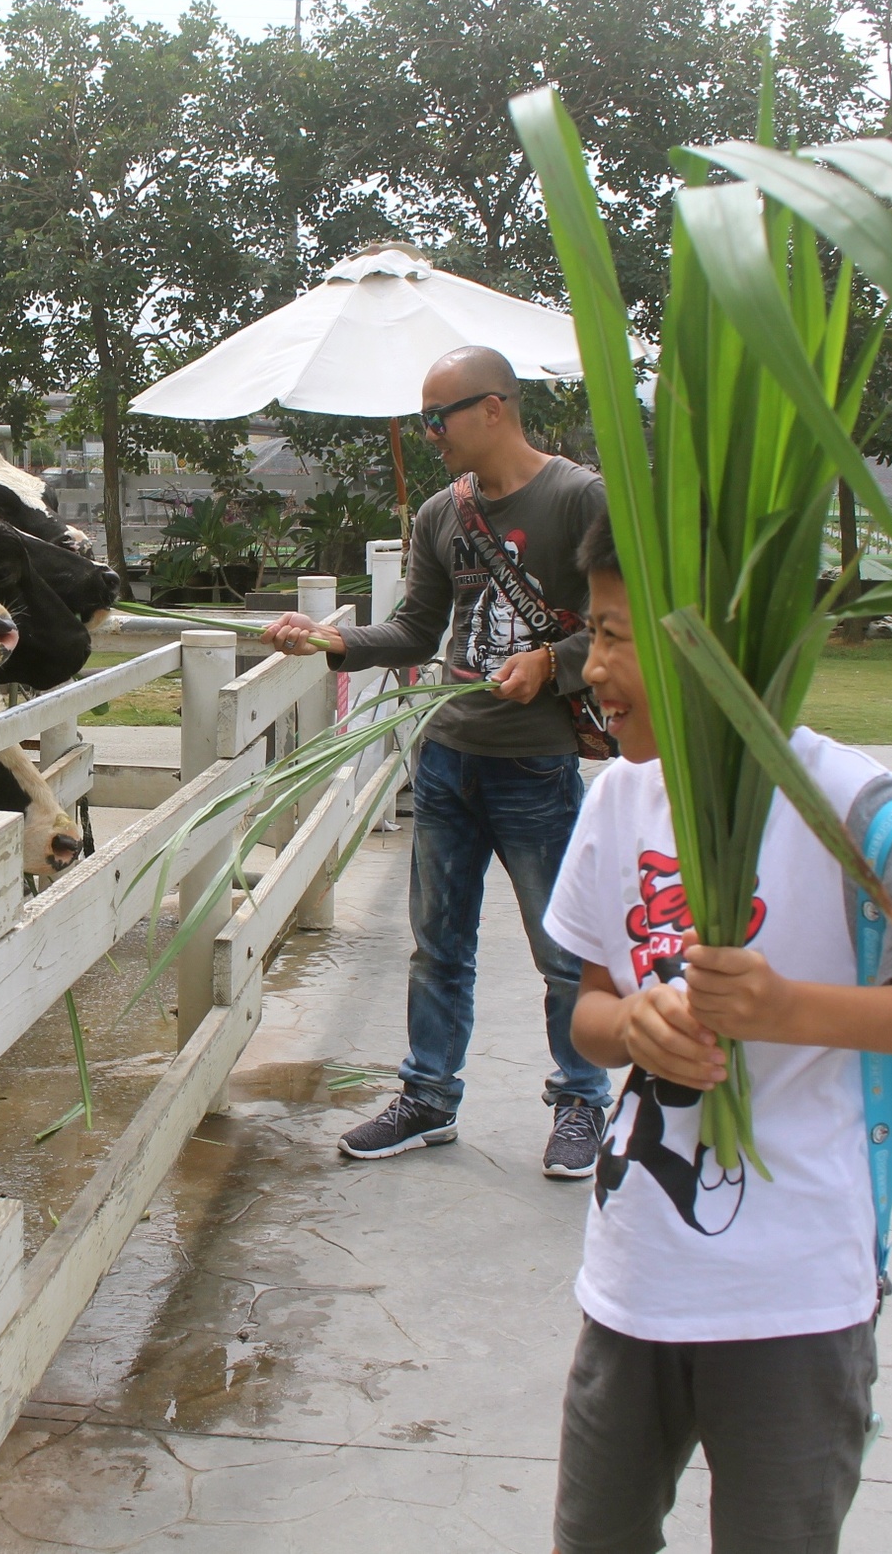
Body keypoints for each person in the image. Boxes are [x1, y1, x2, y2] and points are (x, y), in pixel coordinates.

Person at [543, 512, 892, 1553]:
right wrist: (631, 1027)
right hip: (632, 1283)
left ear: (711, 642)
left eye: (611, 635)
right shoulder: (617, 802)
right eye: (588, 634)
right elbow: (585, 1014)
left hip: (789, 1305)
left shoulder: (851, 806)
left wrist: (793, 1012)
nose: (588, 666)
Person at [260, 344, 614, 1175]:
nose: (430, 434)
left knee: (560, 944)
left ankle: (581, 1100)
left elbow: (618, 620)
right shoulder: (439, 514)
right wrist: (335, 640)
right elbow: (419, 631)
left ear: (494, 408)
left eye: (438, 416)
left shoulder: (578, 496)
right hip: (449, 757)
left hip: (535, 764)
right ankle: (428, 1094)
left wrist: (551, 664)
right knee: (437, 942)